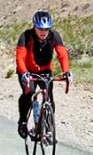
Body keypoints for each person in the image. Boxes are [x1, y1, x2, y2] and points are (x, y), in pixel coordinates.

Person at [15, 10, 72, 138]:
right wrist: (24, 73)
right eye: (40, 28)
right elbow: (20, 57)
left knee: (49, 97)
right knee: (29, 93)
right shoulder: (25, 36)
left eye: (46, 29)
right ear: (34, 27)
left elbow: (62, 54)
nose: (43, 32)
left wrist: (66, 71)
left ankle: (49, 127)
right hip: (27, 71)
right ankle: (23, 122)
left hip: (45, 71)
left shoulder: (54, 36)